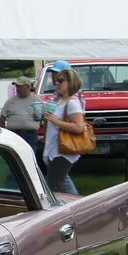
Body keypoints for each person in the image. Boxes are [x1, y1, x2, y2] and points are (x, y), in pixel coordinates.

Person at [42, 67, 85, 195]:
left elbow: (79, 127)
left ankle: (78, 207)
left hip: (63, 151)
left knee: (53, 184)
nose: (57, 83)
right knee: (59, 182)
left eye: (61, 80)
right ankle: (77, 206)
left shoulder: (72, 103)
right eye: (56, 80)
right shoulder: (60, 101)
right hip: (54, 149)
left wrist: (56, 121)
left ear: (70, 83)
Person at [0, 75, 41, 152]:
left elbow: (44, 117)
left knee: (30, 155)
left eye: (20, 86)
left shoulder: (36, 99)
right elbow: (2, 118)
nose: (17, 89)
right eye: (17, 86)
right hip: (13, 134)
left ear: (28, 87)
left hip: (30, 135)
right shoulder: (10, 101)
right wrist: (3, 134)